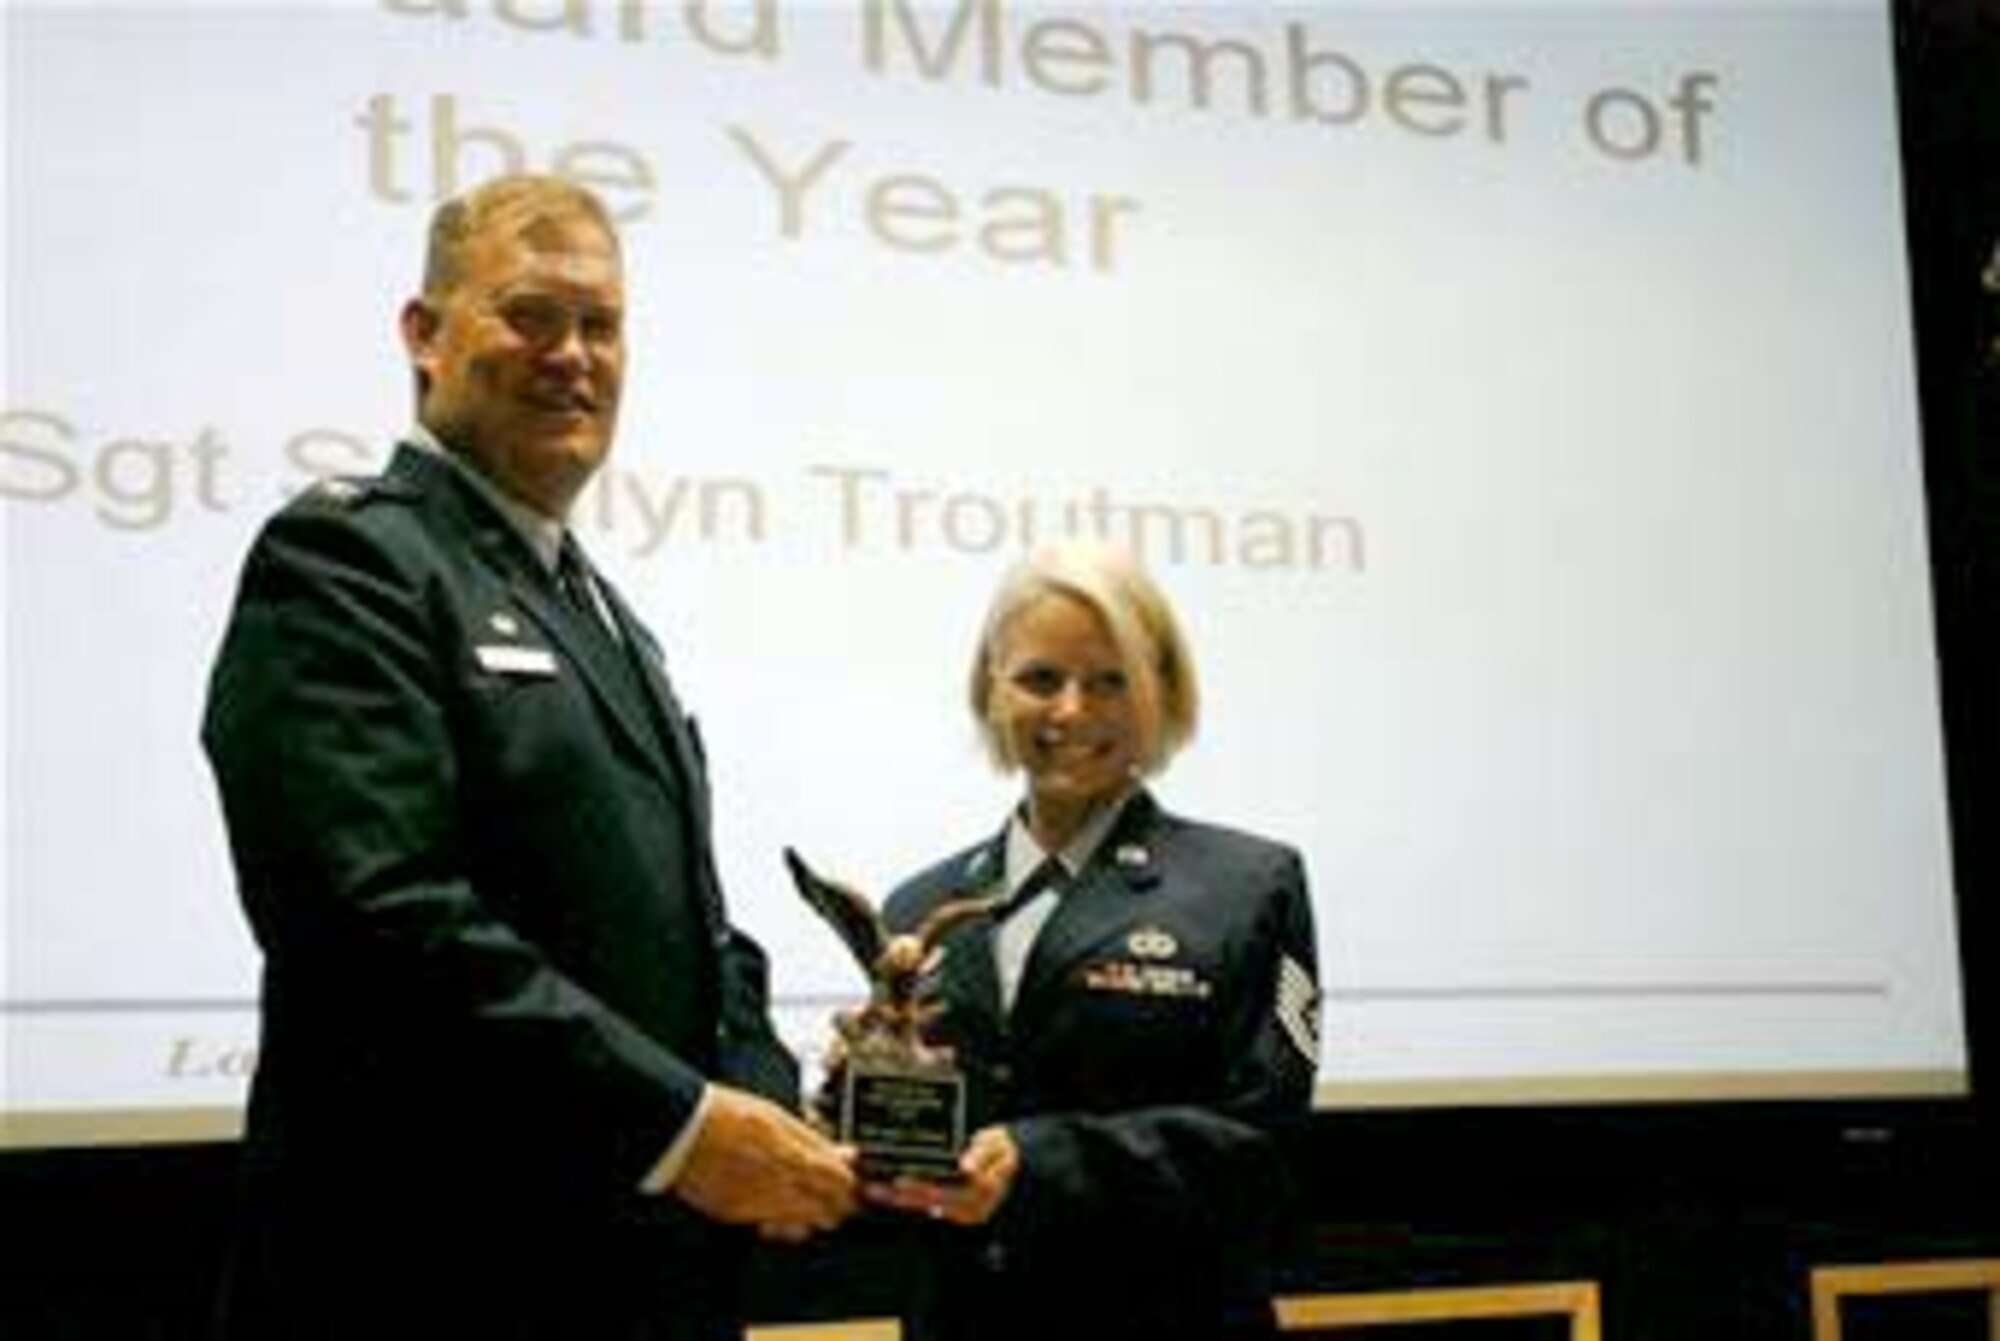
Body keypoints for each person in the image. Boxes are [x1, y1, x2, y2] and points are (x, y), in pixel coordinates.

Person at [200, 172, 857, 1340]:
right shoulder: (350, 562)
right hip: (428, 1276)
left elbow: (698, 925)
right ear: (423, 334)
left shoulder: (607, 615)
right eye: (529, 314)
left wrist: (766, 1112)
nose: (573, 356)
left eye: (599, 325)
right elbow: (376, 923)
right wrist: (683, 1129)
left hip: (635, 1280)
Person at [868, 540, 1323, 1339]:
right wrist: (855, 1108)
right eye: (1041, 678)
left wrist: (1037, 1162)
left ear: (1162, 692)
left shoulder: (1249, 886)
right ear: (991, 688)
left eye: (1110, 681)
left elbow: (1263, 1154)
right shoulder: (919, 905)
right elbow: (909, 1156)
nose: (1071, 711)